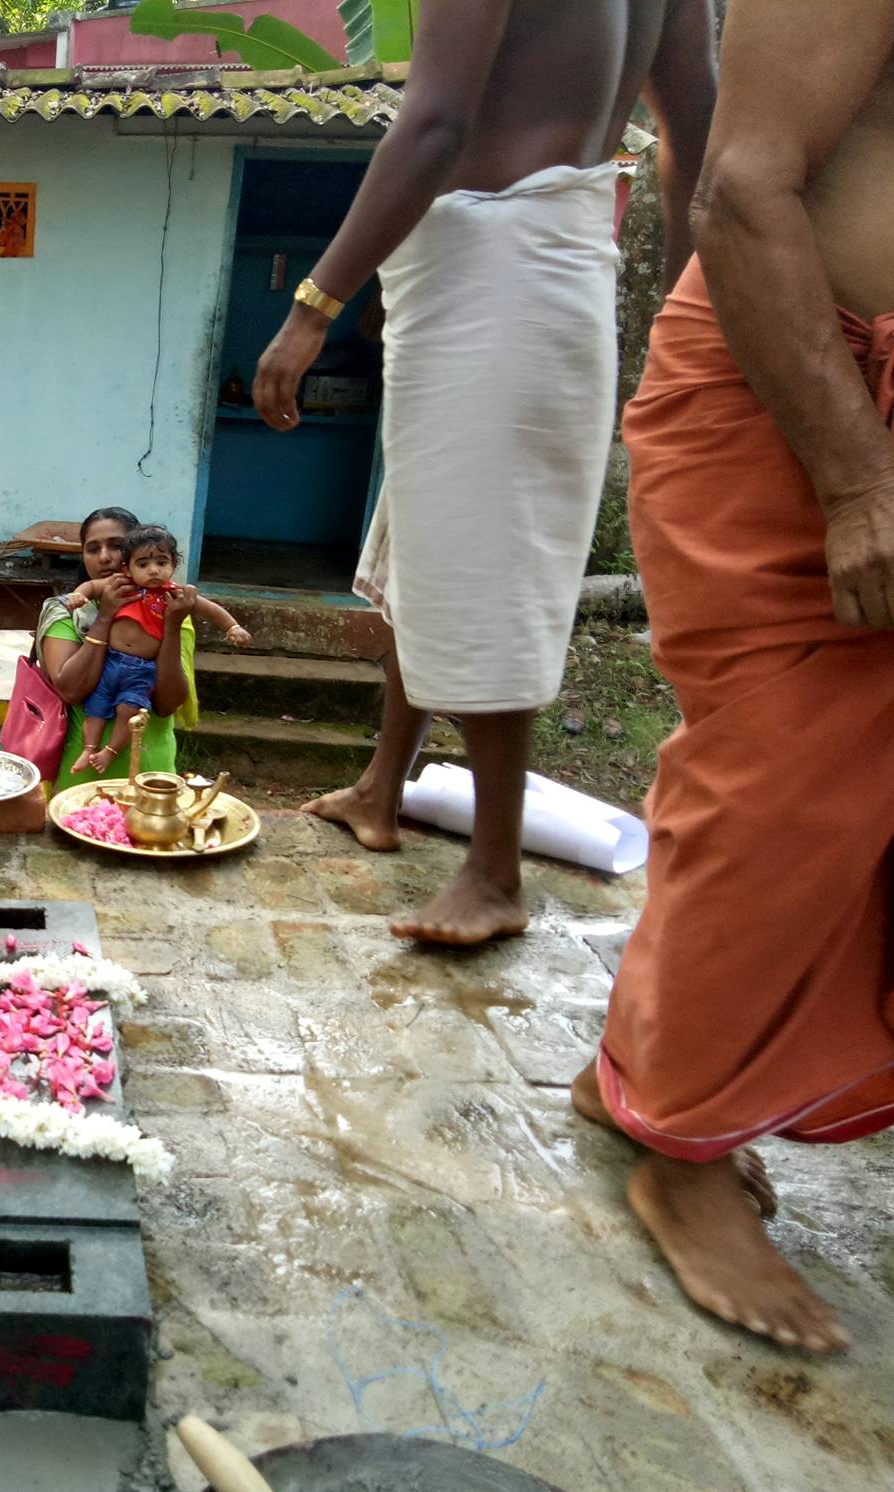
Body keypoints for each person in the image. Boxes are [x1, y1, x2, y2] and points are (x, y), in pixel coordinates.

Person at [254, 0, 718, 945]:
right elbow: (694, 136)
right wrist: (686, 313)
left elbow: (434, 127)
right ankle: (385, 786)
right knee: (429, 536)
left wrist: (313, 308)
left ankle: (493, 872)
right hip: (553, 256)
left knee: (485, 556)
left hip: (495, 261)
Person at [571, 0, 894, 1354]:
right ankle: (684, 1149)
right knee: (783, 788)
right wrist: (858, 475)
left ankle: (640, 1071)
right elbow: (743, 184)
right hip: (800, 388)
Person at [61, 525, 249, 773]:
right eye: (143, 565)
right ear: (127, 567)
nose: (153, 570)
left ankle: (109, 752)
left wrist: (232, 627)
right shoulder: (121, 584)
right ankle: (89, 749)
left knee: (129, 711)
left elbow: (209, 608)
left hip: (142, 669)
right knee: (96, 707)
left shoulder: (174, 596)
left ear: (174, 564)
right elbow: (91, 586)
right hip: (111, 661)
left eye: (162, 563)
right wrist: (77, 596)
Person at [36, 509, 200, 791]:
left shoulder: (172, 611)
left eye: (116, 546)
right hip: (81, 777)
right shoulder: (67, 612)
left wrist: (171, 626)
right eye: (92, 549)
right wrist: (105, 616)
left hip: (150, 777)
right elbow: (72, 689)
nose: (104, 557)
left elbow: (166, 704)